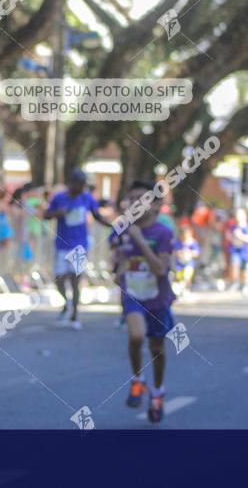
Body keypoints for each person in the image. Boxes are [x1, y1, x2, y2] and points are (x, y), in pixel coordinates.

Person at [112, 180, 176, 423]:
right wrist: (117, 270)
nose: (136, 203)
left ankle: (157, 392)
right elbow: (118, 261)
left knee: (157, 349)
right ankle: (137, 379)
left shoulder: (162, 233)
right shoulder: (122, 230)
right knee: (136, 336)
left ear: (153, 203)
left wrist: (139, 240)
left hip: (157, 298)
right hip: (133, 295)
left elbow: (161, 269)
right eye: (132, 199)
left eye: (142, 198)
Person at [43, 168, 111, 329]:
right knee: (59, 278)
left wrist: (112, 226)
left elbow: (97, 215)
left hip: (79, 245)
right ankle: (65, 302)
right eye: (79, 184)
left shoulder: (87, 198)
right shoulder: (59, 198)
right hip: (62, 245)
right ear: (71, 183)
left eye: (83, 184)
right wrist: (58, 212)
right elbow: (46, 215)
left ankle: (74, 313)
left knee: (75, 279)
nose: (81, 187)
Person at [173, 226, 200, 294]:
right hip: (179, 264)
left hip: (189, 264)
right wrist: (180, 253)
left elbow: (197, 253)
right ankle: (181, 290)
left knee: (187, 277)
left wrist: (190, 253)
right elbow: (175, 251)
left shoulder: (193, 243)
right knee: (179, 278)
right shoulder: (178, 242)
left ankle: (187, 290)